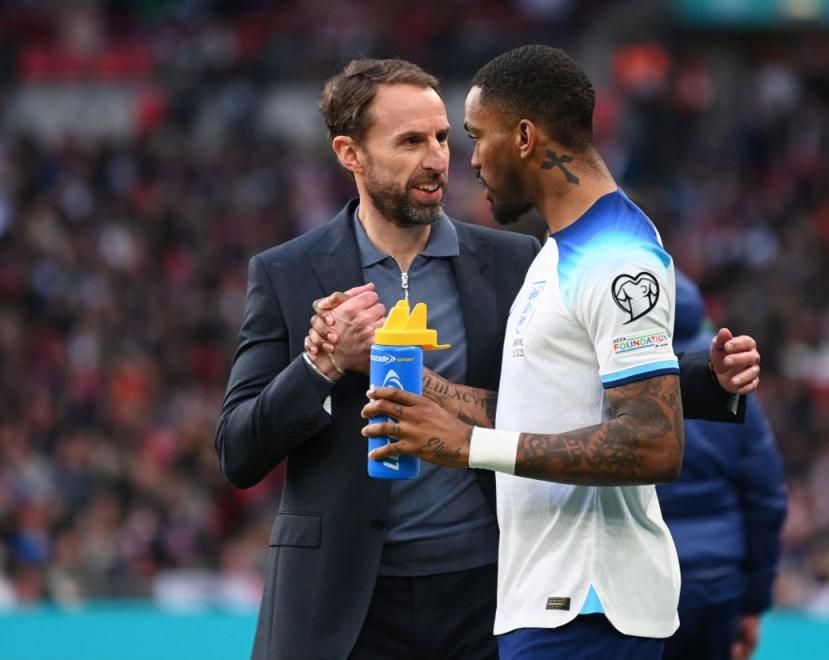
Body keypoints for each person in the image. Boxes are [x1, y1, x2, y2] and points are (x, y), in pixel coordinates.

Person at [219, 57, 759, 660]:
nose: (439, 159)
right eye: (410, 141)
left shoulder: (514, 258)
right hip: (341, 604)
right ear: (350, 153)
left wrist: (706, 379)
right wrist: (319, 364)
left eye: (445, 137)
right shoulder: (288, 273)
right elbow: (239, 451)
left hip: (484, 591)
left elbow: (558, 384)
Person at [658, 272, 786, 660]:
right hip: (715, 584)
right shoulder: (730, 375)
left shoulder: (618, 371)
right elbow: (767, 498)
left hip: (641, 581)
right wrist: (753, 603)